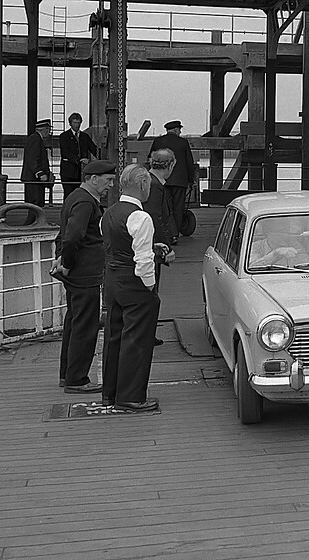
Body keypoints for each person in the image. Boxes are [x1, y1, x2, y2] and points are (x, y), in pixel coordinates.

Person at [100, 164, 161, 412]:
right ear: (144, 185)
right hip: (133, 283)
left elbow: (113, 245)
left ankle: (110, 393)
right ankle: (131, 396)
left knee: (113, 337)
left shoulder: (109, 213)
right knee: (137, 340)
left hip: (112, 279)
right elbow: (143, 260)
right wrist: (149, 286)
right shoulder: (140, 217)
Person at [52, 160, 116, 393]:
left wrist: (62, 257)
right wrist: (67, 263)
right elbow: (72, 236)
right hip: (85, 273)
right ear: (93, 178)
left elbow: (64, 235)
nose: (110, 185)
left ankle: (66, 374)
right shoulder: (85, 203)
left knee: (74, 322)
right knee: (85, 326)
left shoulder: (75, 197)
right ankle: (77, 379)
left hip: (78, 273)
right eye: (108, 180)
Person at [146, 148, 177, 345]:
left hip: (149, 245)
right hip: (152, 248)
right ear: (170, 165)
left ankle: (148, 332)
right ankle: (147, 333)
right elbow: (156, 218)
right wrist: (166, 247)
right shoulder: (155, 186)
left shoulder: (152, 182)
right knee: (151, 290)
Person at [148, 120, 196, 243]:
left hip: (162, 179)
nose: (180, 131)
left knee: (165, 207)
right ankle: (176, 234)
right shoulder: (183, 143)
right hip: (180, 181)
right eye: (179, 129)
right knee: (178, 207)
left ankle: (169, 233)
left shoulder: (158, 141)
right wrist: (191, 179)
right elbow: (189, 162)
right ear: (175, 130)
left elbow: (150, 158)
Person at [58, 112, 99, 200]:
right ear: (70, 123)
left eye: (78, 123)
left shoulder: (85, 137)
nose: (77, 125)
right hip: (68, 171)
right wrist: (79, 160)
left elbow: (93, 149)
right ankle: (67, 211)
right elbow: (65, 153)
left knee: (79, 193)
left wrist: (98, 159)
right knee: (68, 194)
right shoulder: (64, 136)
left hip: (81, 172)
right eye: (74, 123)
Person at [21, 118, 53, 225]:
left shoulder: (35, 139)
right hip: (33, 179)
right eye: (48, 130)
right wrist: (40, 173)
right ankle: (28, 226)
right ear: (44, 129)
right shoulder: (35, 139)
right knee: (35, 204)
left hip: (33, 178)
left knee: (36, 204)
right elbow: (33, 158)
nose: (49, 133)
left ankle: (31, 225)